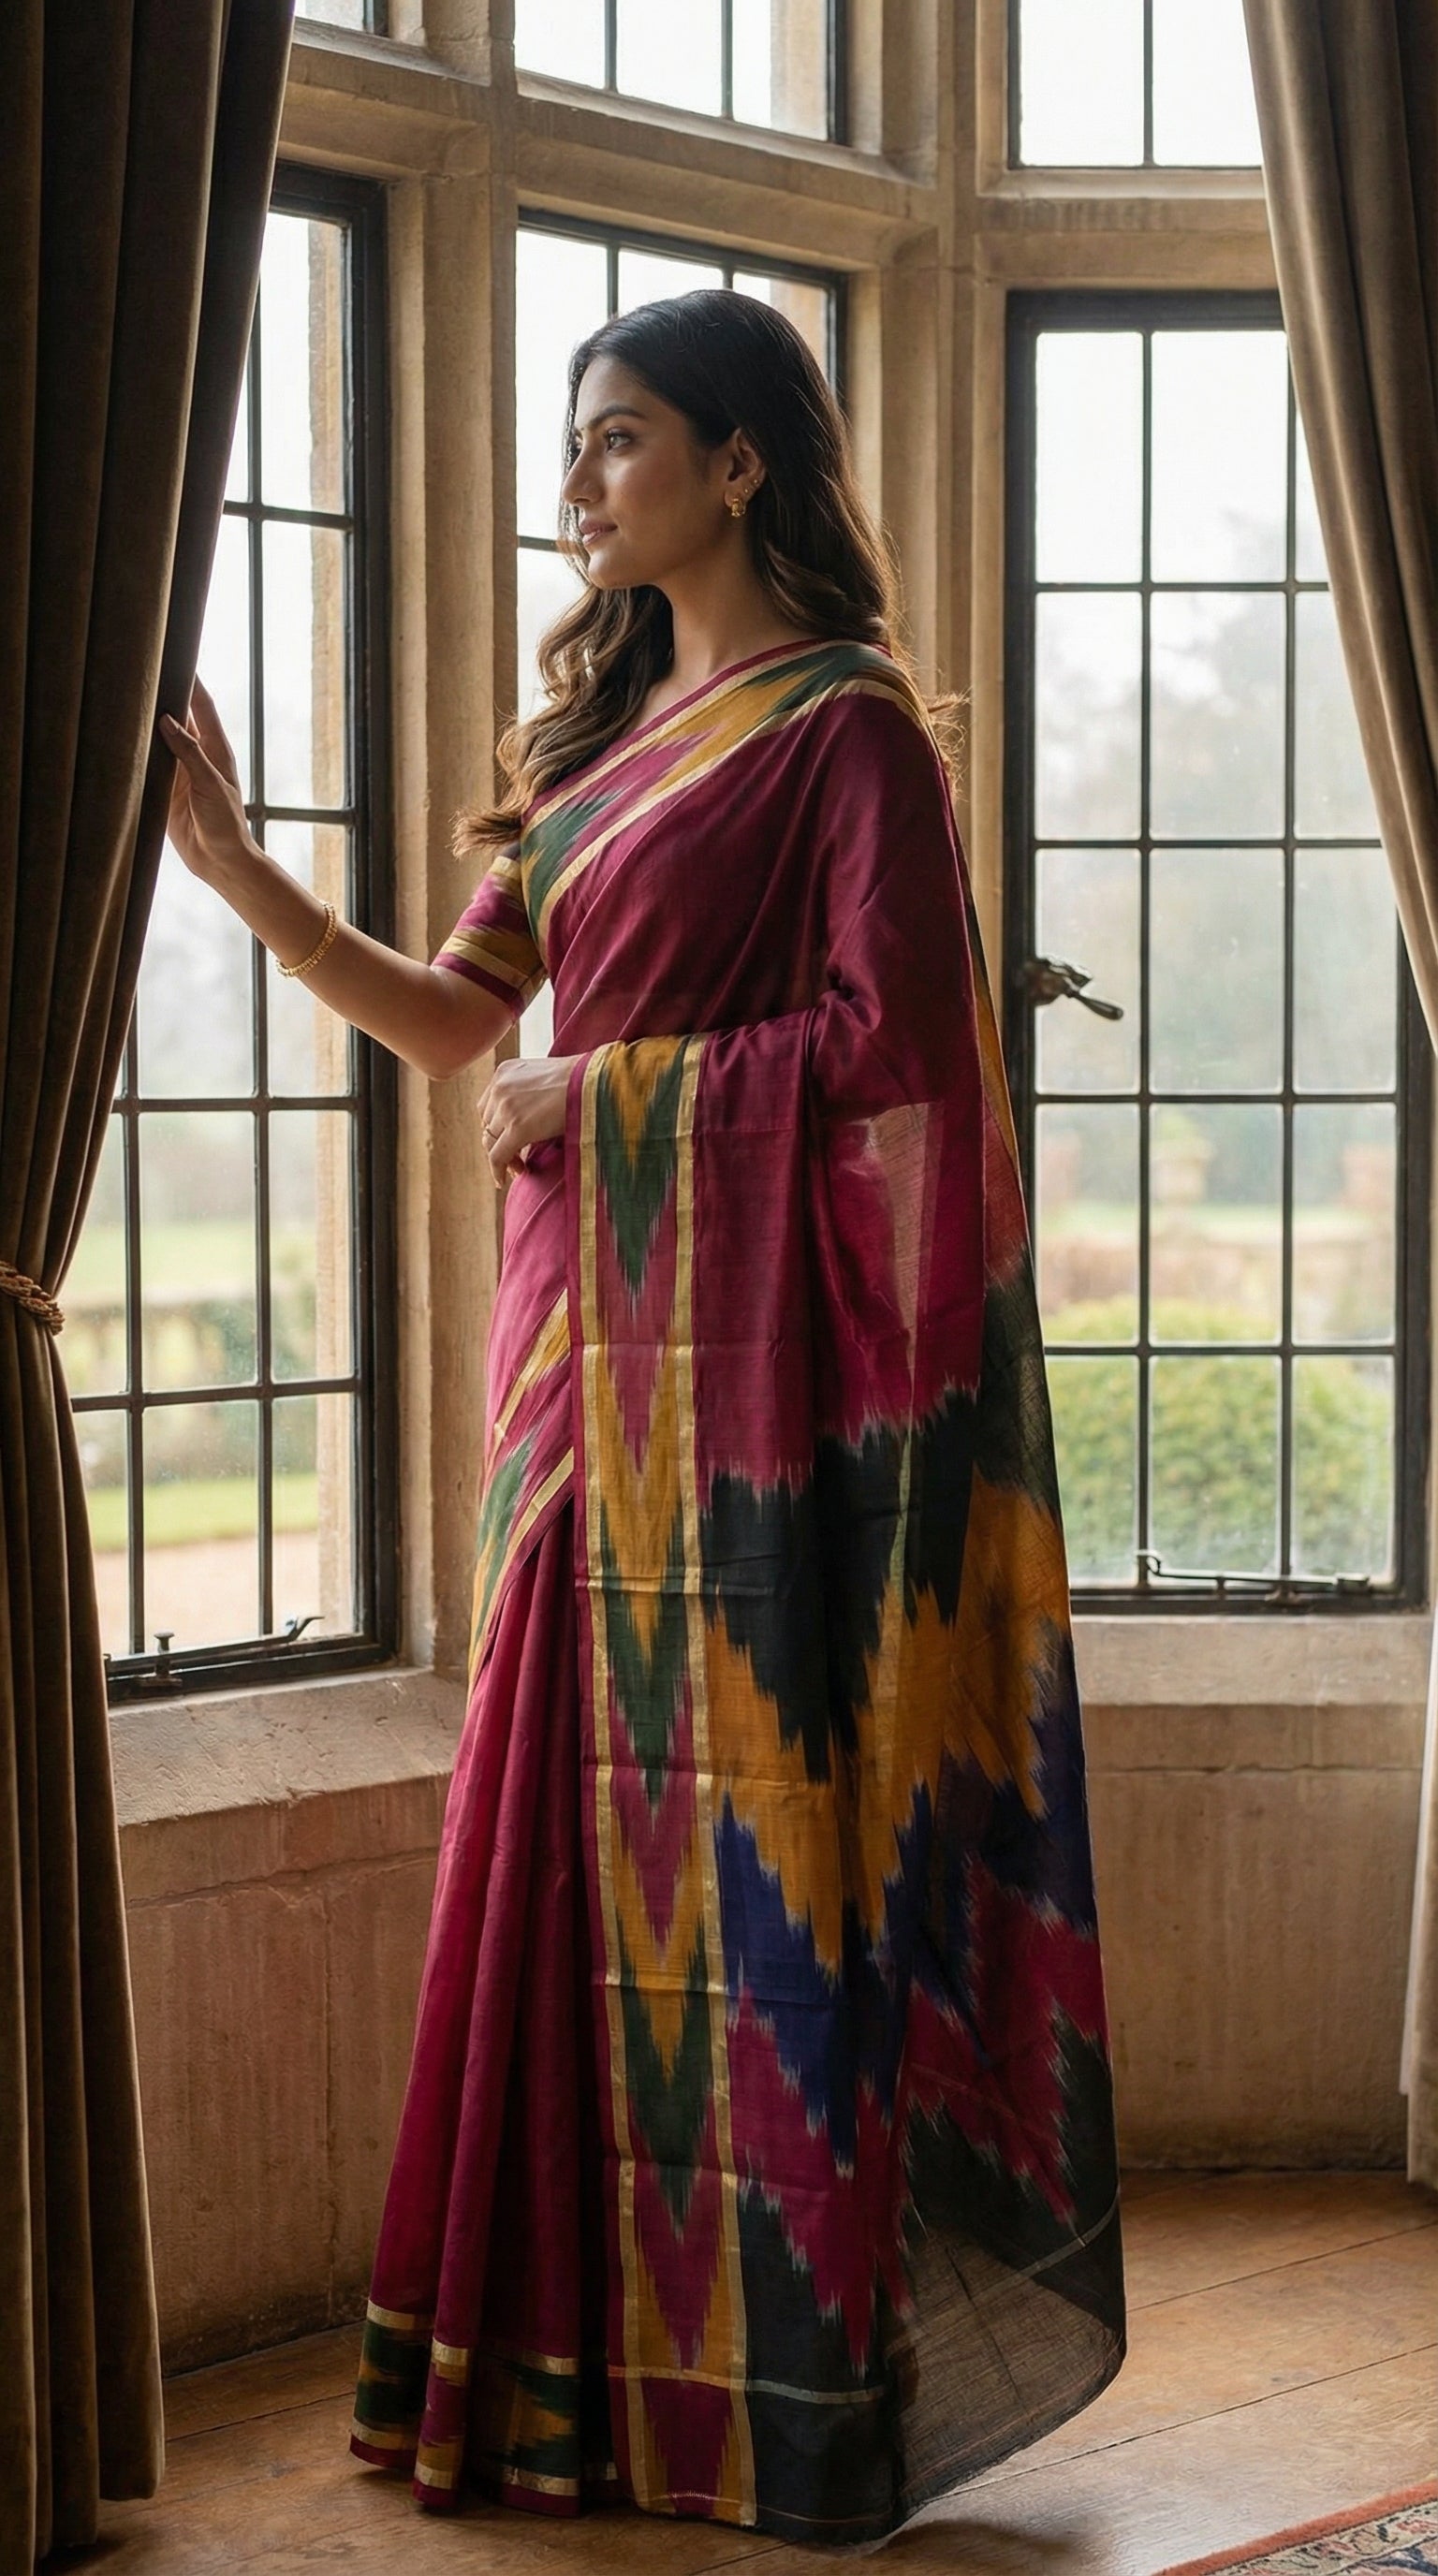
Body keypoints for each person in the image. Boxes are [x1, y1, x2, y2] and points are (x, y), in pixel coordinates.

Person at [160, 287, 1124, 2550]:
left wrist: (607, 1090)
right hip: (571, 1374)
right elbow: (441, 1020)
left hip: (757, 1416)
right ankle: (555, 2378)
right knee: (549, 1841)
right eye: (572, 450)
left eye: (611, 442)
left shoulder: (853, 737)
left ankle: (769, 2396)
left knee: (749, 1876)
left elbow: (903, 1066)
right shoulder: (599, 748)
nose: (574, 486)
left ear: (742, 462)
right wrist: (233, 873)